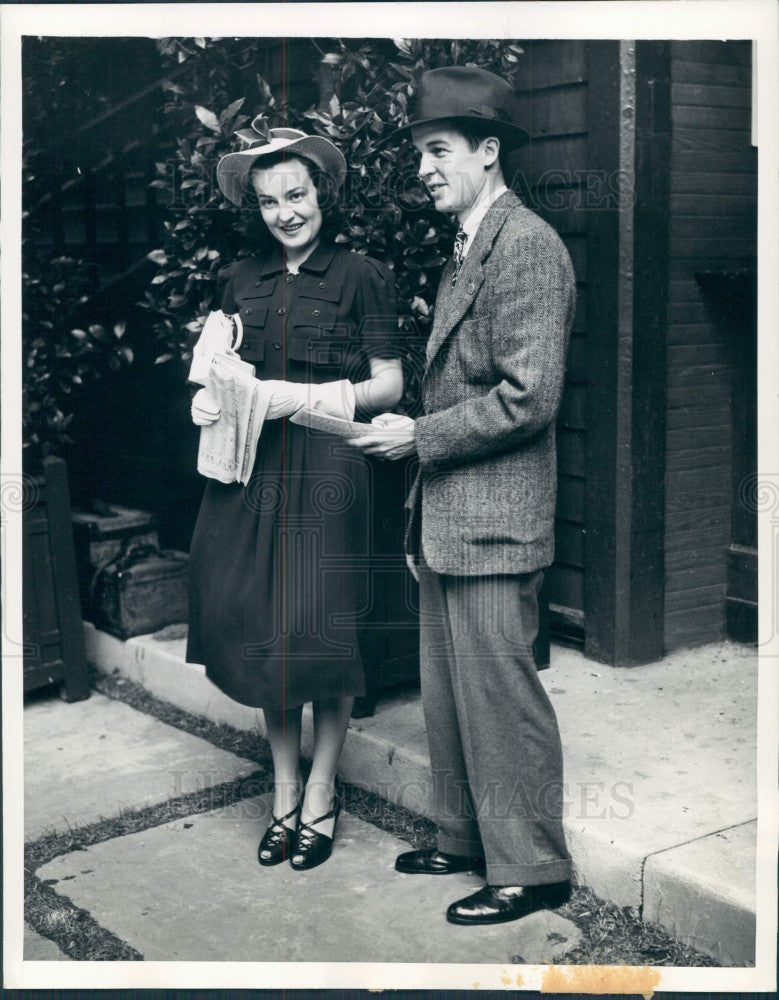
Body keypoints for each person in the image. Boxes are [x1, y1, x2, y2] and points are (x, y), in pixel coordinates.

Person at [350, 67, 575, 924]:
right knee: (448, 692)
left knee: (497, 695)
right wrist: (423, 436)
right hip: (453, 516)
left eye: (437, 152)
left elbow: (529, 397)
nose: (424, 170)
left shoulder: (525, 245)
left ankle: (533, 866)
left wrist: (418, 434)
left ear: (489, 153)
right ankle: (463, 839)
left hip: (492, 520)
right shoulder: (473, 243)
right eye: (420, 155)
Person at [186, 121, 402, 871]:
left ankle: (321, 791)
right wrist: (214, 396)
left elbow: (391, 384)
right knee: (262, 630)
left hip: (327, 470)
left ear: (322, 194)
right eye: (271, 200)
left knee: (318, 633)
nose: (285, 212)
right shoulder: (239, 279)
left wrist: (304, 395)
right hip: (252, 469)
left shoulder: (361, 275)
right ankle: (282, 794)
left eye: (297, 194)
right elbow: (220, 368)